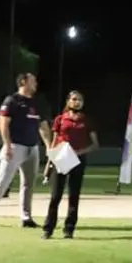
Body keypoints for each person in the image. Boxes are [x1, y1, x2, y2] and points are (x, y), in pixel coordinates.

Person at [0, 73, 52, 227]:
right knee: (2, 181)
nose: (36, 83)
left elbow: (43, 127)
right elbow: (3, 124)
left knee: (28, 184)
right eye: (33, 80)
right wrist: (7, 145)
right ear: (24, 82)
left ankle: (26, 217)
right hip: (15, 146)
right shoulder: (12, 101)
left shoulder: (37, 102)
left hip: (33, 148)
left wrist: (49, 147)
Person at [42, 91, 100, 240]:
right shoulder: (60, 119)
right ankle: (48, 229)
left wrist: (79, 152)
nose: (77, 102)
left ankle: (69, 229)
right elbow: (55, 141)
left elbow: (95, 144)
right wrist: (49, 164)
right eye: (74, 99)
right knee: (56, 196)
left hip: (78, 161)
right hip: (61, 159)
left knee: (74, 196)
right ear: (68, 101)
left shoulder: (87, 120)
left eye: (80, 99)